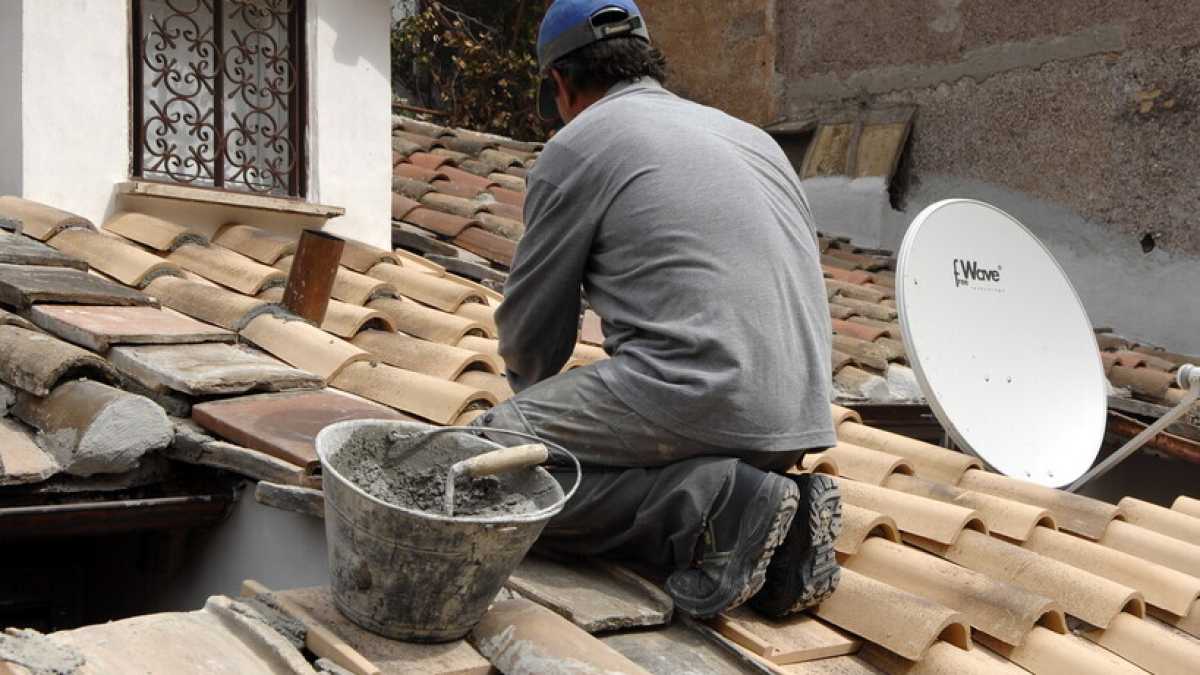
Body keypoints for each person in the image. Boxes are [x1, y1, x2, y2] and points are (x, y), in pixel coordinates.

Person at [475, 0, 842, 619]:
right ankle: (788, 517)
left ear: (559, 84)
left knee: (482, 469)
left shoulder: (578, 146)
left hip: (701, 394)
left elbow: (534, 338)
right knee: (655, 443)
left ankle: (707, 509)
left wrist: (530, 420)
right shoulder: (752, 137)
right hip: (801, 414)